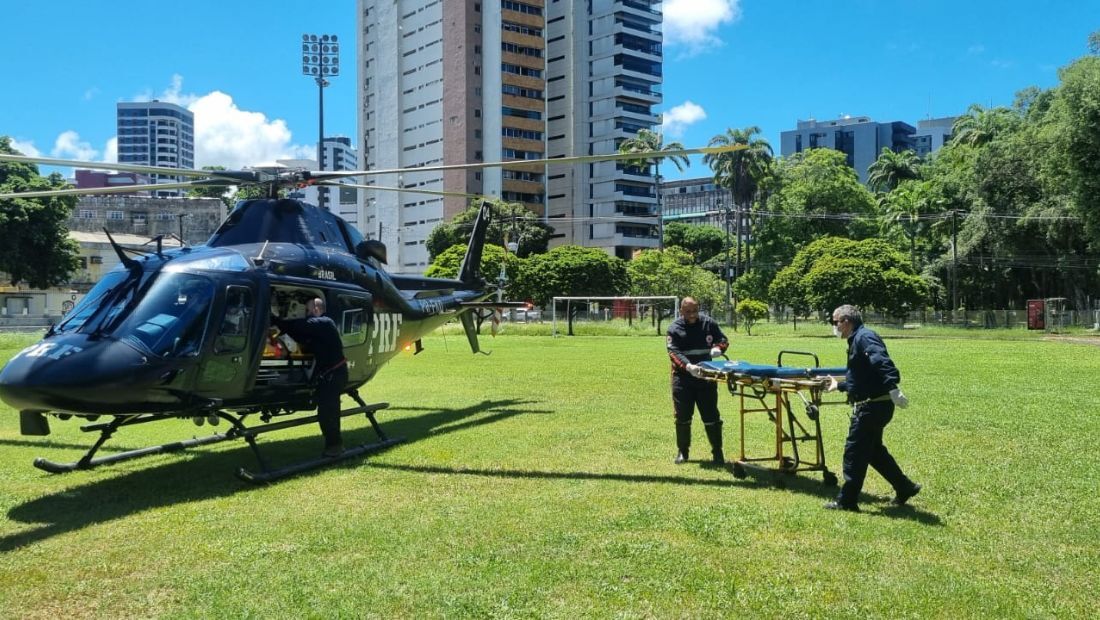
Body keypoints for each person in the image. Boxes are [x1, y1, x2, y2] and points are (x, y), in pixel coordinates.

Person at [824, 304, 921, 511]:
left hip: (873, 406)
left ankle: (847, 501)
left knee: (854, 452)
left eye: (835, 322)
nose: (834, 327)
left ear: (846, 322)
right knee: (873, 451)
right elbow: (862, 377)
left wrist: (893, 388)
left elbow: (881, 361)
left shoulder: (864, 338)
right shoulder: (857, 339)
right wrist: (839, 385)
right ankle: (905, 487)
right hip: (876, 404)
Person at [272, 297, 348, 457]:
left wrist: (275, 319)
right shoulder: (317, 331)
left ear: (316, 310)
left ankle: (335, 446)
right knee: (326, 411)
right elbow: (297, 334)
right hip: (329, 375)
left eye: (306, 311)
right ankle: (334, 444)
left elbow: (298, 326)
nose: (305, 315)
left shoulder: (325, 323)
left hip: (333, 375)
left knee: (328, 412)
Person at [666, 297, 728, 465]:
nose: (692, 315)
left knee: (711, 415)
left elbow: (723, 340)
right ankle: (683, 452)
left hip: (706, 377)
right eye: (688, 312)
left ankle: (717, 452)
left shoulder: (709, 323)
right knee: (683, 416)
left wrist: (718, 349)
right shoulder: (674, 329)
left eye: (695, 311)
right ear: (681, 311)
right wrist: (688, 366)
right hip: (683, 379)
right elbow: (673, 352)